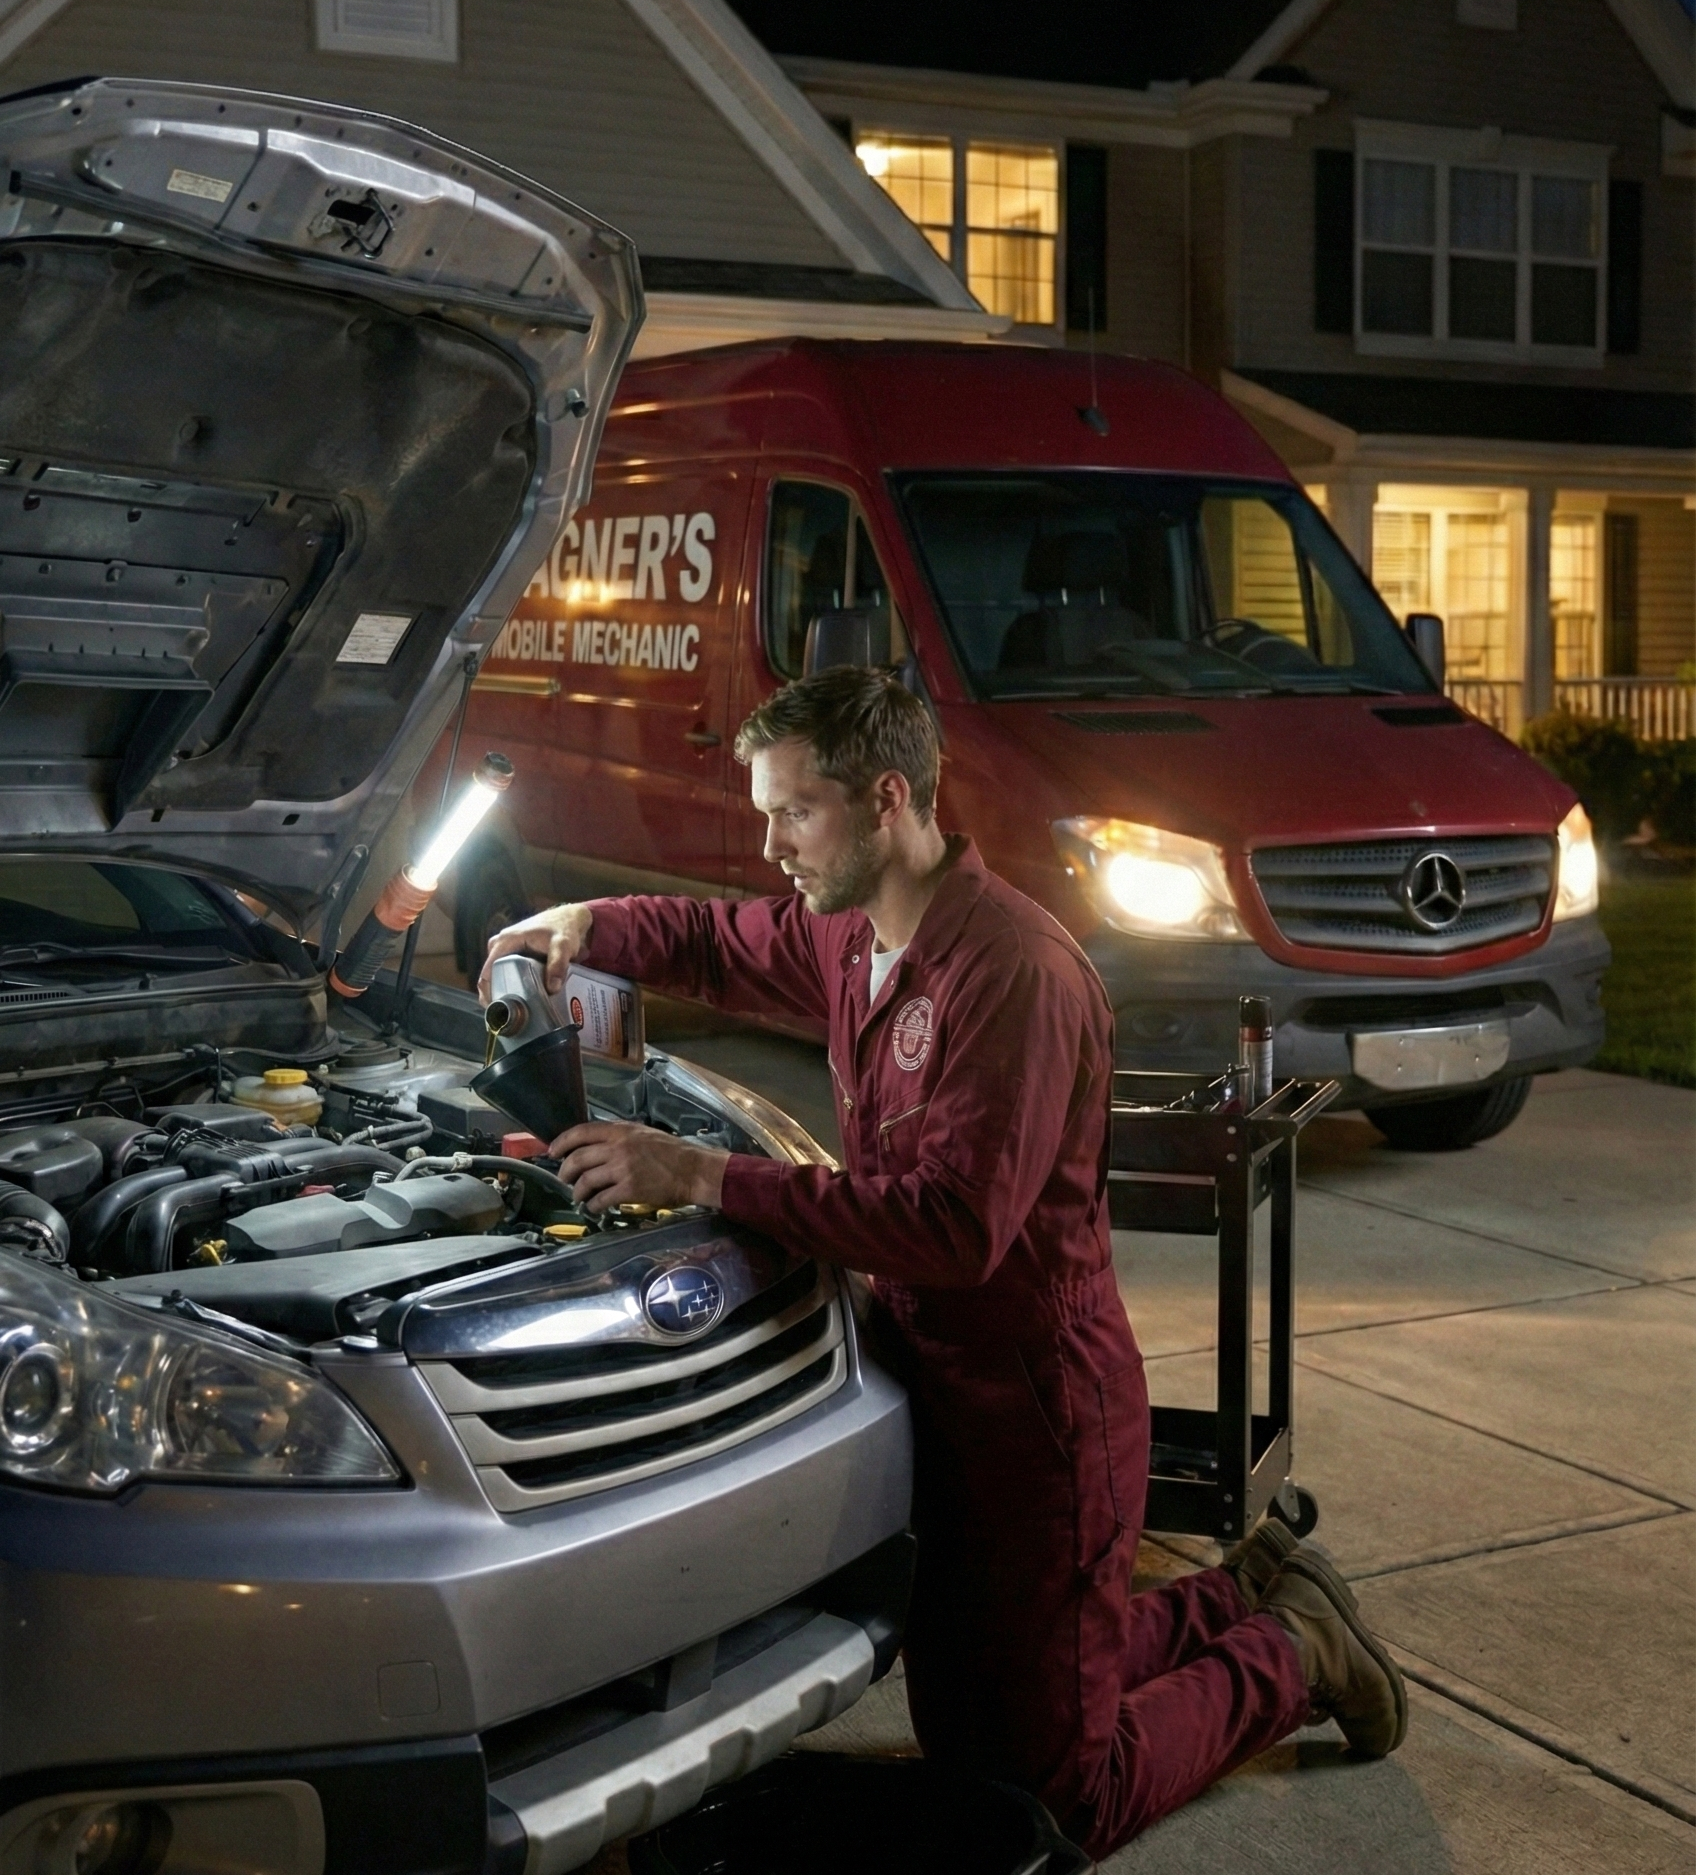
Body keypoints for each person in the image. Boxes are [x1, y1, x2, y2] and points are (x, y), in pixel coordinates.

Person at [480, 665, 1405, 1857]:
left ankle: (1293, 1651)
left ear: (884, 799)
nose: (770, 846)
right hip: (940, 1393)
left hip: (1038, 1412)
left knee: (1050, 1799)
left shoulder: (1010, 971)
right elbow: (710, 939)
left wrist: (701, 1174)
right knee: (987, 1726)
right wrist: (584, 927)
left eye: (792, 812)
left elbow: (955, 1229)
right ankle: (1242, 1592)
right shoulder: (852, 935)